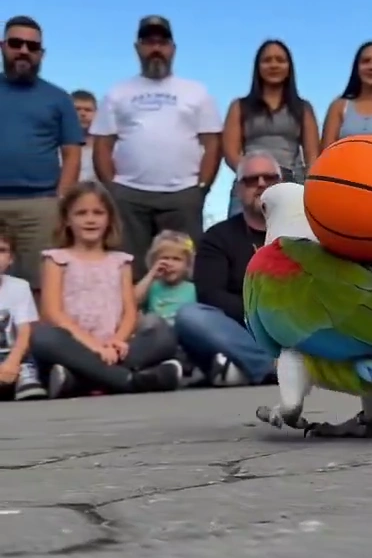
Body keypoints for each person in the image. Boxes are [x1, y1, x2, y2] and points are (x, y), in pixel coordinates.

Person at [91, 15, 223, 277]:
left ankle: (184, 317)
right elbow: (103, 144)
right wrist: (113, 188)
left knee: (185, 269)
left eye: (162, 42)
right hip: (130, 195)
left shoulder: (196, 91)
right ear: (137, 48)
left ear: (172, 49)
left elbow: (212, 143)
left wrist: (201, 188)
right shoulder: (118, 92)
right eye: (149, 42)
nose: (156, 49)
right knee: (128, 269)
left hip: (182, 193)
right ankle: (132, 317)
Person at [31, 182, 180, 397]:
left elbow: (129, 312)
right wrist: (95, 347)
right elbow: (52, 313)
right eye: (81, 213)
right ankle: (129, 381)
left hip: (116, 347)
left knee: (162, 333)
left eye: (98, 213)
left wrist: (117, 341)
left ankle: (81, 381)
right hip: (75, 346)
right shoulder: (55, 260)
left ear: (109, 219)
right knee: (43, 337)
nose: (90, 219)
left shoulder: (121, 262)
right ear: (67, 220)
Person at [174, 152, 278, 386]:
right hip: (241, 329)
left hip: (297, 327)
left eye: (269, 178)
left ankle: (241, 368)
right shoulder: (218, 237)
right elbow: (210, 294)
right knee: (190, 316)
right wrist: (262, 316)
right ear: (239, 190)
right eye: (251, 180)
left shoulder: (303, 232)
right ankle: (270, 367)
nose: (261, 184)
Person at [0, 16, 84, 292]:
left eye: (32, 46)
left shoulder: (58, 98)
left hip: (40, 206)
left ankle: (36, 337)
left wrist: (60, 200)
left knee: (41, 285)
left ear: (41, 54)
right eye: (16, 43)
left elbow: (71, 153)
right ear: (3, 46)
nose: (24, 50)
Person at [222, 41, 320, 216]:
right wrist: (254, 173)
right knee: (243, 239)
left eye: (280, 60)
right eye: (267, 60)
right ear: (258, 67)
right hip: (250, 182)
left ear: (289, 67)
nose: (274, 65)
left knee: (289, 240)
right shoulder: (240, 106)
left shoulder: (303, 108)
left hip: (290, 182)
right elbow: (230, 152)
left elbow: (312, 156)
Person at [0, 220, 47, 400]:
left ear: (11, 258)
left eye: (2, 250)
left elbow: (24, 331)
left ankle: (24, 378)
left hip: (14, 355)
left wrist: (13, 362)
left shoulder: (19, 287)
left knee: (29, 358)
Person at [133, 230, 197, 323]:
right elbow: (131, 302)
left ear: (187, 265)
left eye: (176, 259)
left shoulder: (192, 288)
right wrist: (151, 274)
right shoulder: (151, 286)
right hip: (157, 333)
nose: (170, 264)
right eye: (164, 258)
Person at [71, 89, 98, 180]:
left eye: (88, 110)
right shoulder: (55, 146)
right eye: (77, 109)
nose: (82, 114)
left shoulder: (104, 149)